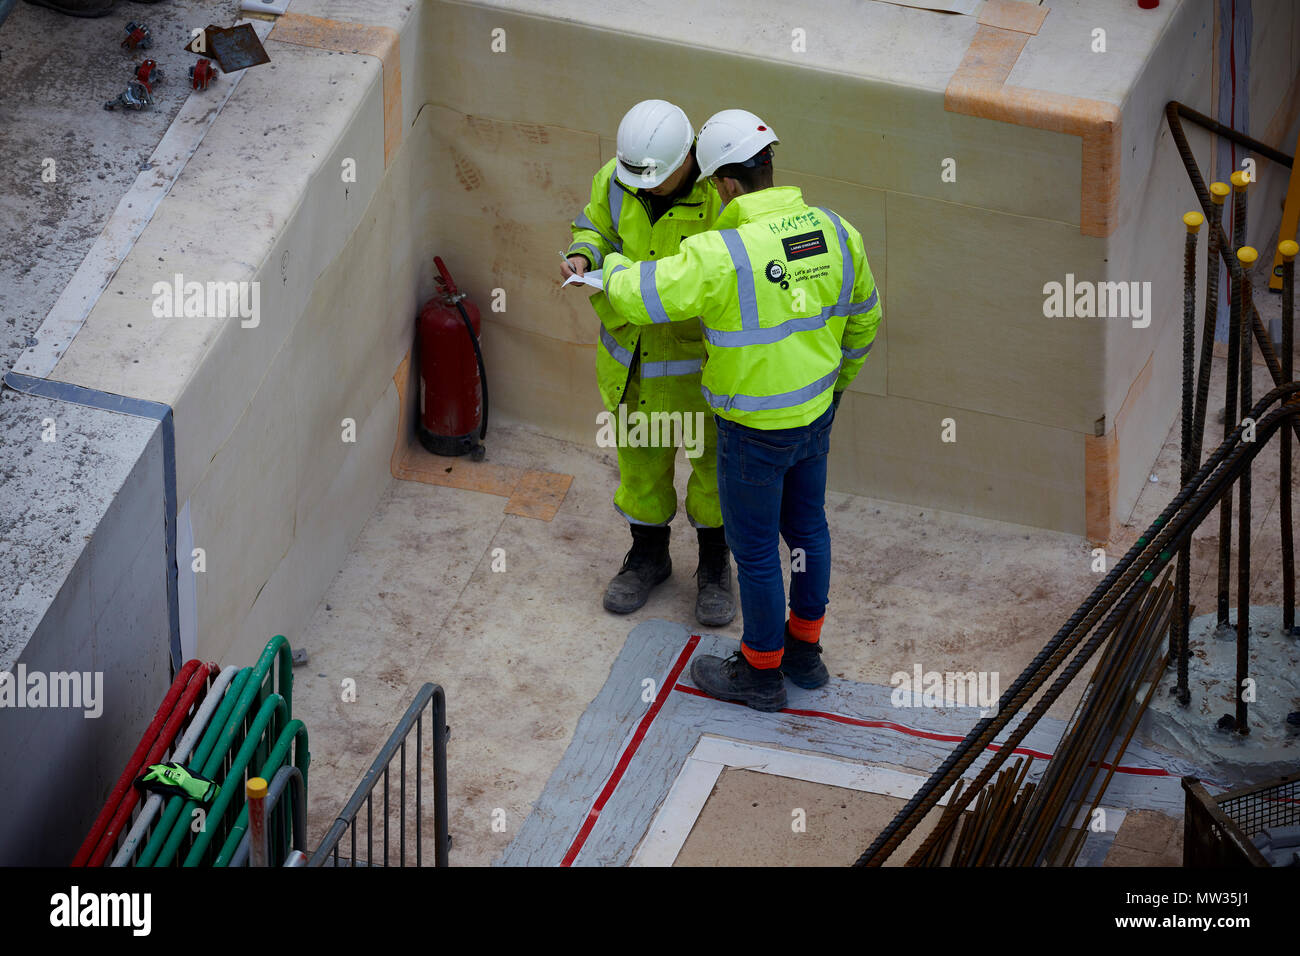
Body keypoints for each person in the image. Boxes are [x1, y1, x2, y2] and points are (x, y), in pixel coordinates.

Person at [601, 109, 882, 711]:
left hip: (752, 431)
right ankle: (805, 657)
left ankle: (759, 674)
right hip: (814, 420)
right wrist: (833, 390)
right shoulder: (837, 230)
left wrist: (611, 267)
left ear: (725, 183)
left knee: (754, 556)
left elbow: (638, 295)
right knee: (808, 533)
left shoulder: (721, 252)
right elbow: (865, 320)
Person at [563, 99, 735, 626]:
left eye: (654, 180)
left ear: (686, 158)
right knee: (639, 469)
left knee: (714, 476)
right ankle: (648, 557)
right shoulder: (616, 181)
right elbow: (594, 227)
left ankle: (713, 567)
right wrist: (583, 254)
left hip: (699, 374)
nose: (643, 188)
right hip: (634, 369)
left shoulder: (720, 198)